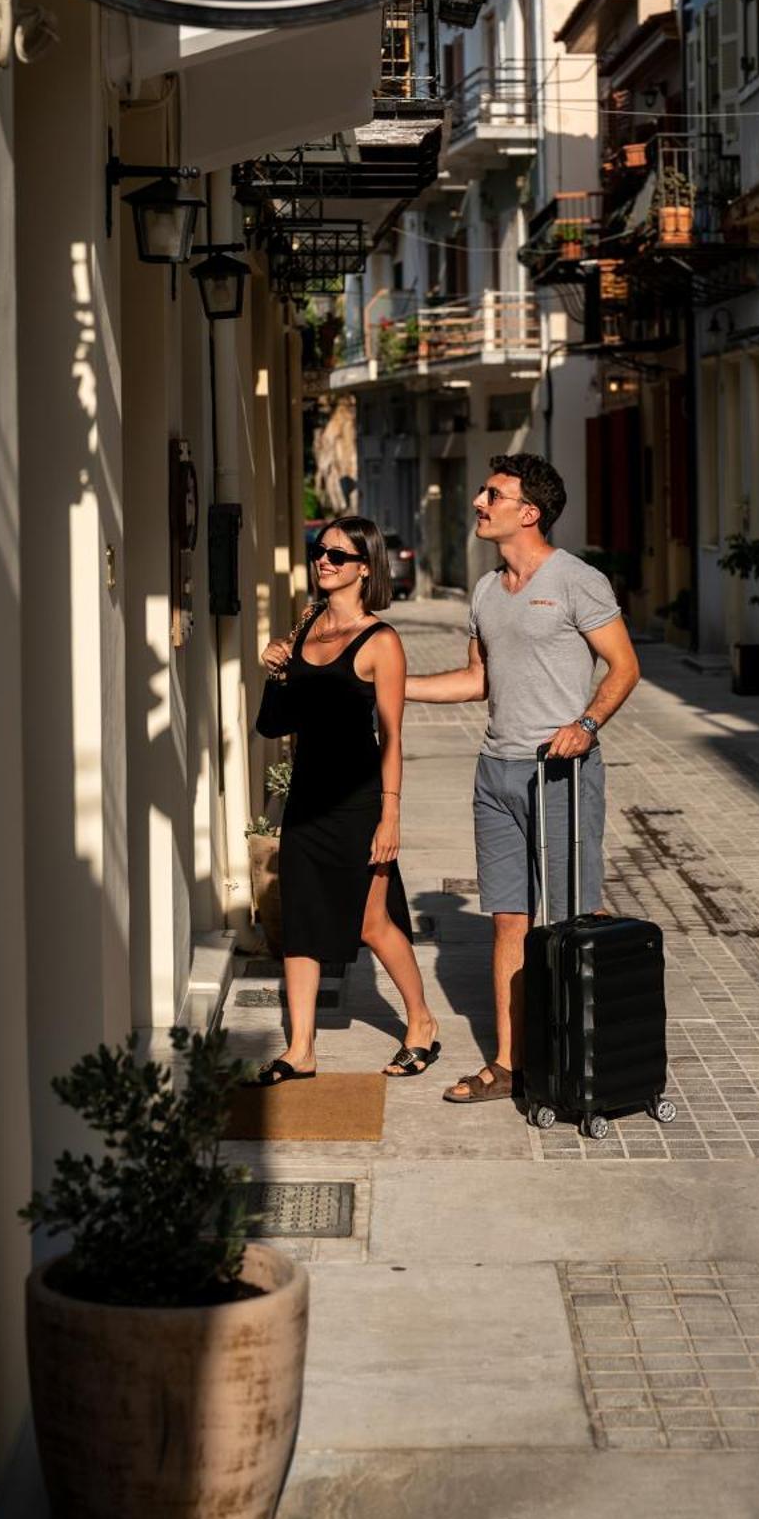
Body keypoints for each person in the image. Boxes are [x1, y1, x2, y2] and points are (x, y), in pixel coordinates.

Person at [404, 454, 640, 1104]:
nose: (479, 502)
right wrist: (393, 685)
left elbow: (623, 667)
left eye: (493, 494)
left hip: (560, 773)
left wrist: (586, 725)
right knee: (508, 921)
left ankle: (578, 1061)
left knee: (567, 920)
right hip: (496, 773)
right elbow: (476, 681)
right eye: (483, 492)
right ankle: (509, 1065)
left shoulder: (576, 582)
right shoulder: (484, 591)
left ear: (527, 513)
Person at [255, 516, 439, 1084]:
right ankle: (302, 1048)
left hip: (359, 800)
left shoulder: (380, 641)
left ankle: (423, 1024)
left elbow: (392, 735)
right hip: (308, 797)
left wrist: (391, 814)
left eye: (338, 554)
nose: (325, 561)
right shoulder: (306, 627)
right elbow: (273, 724)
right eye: (320, 550)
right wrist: (276, 669)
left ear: (366, 567)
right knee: (303, 919)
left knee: (371, 921)